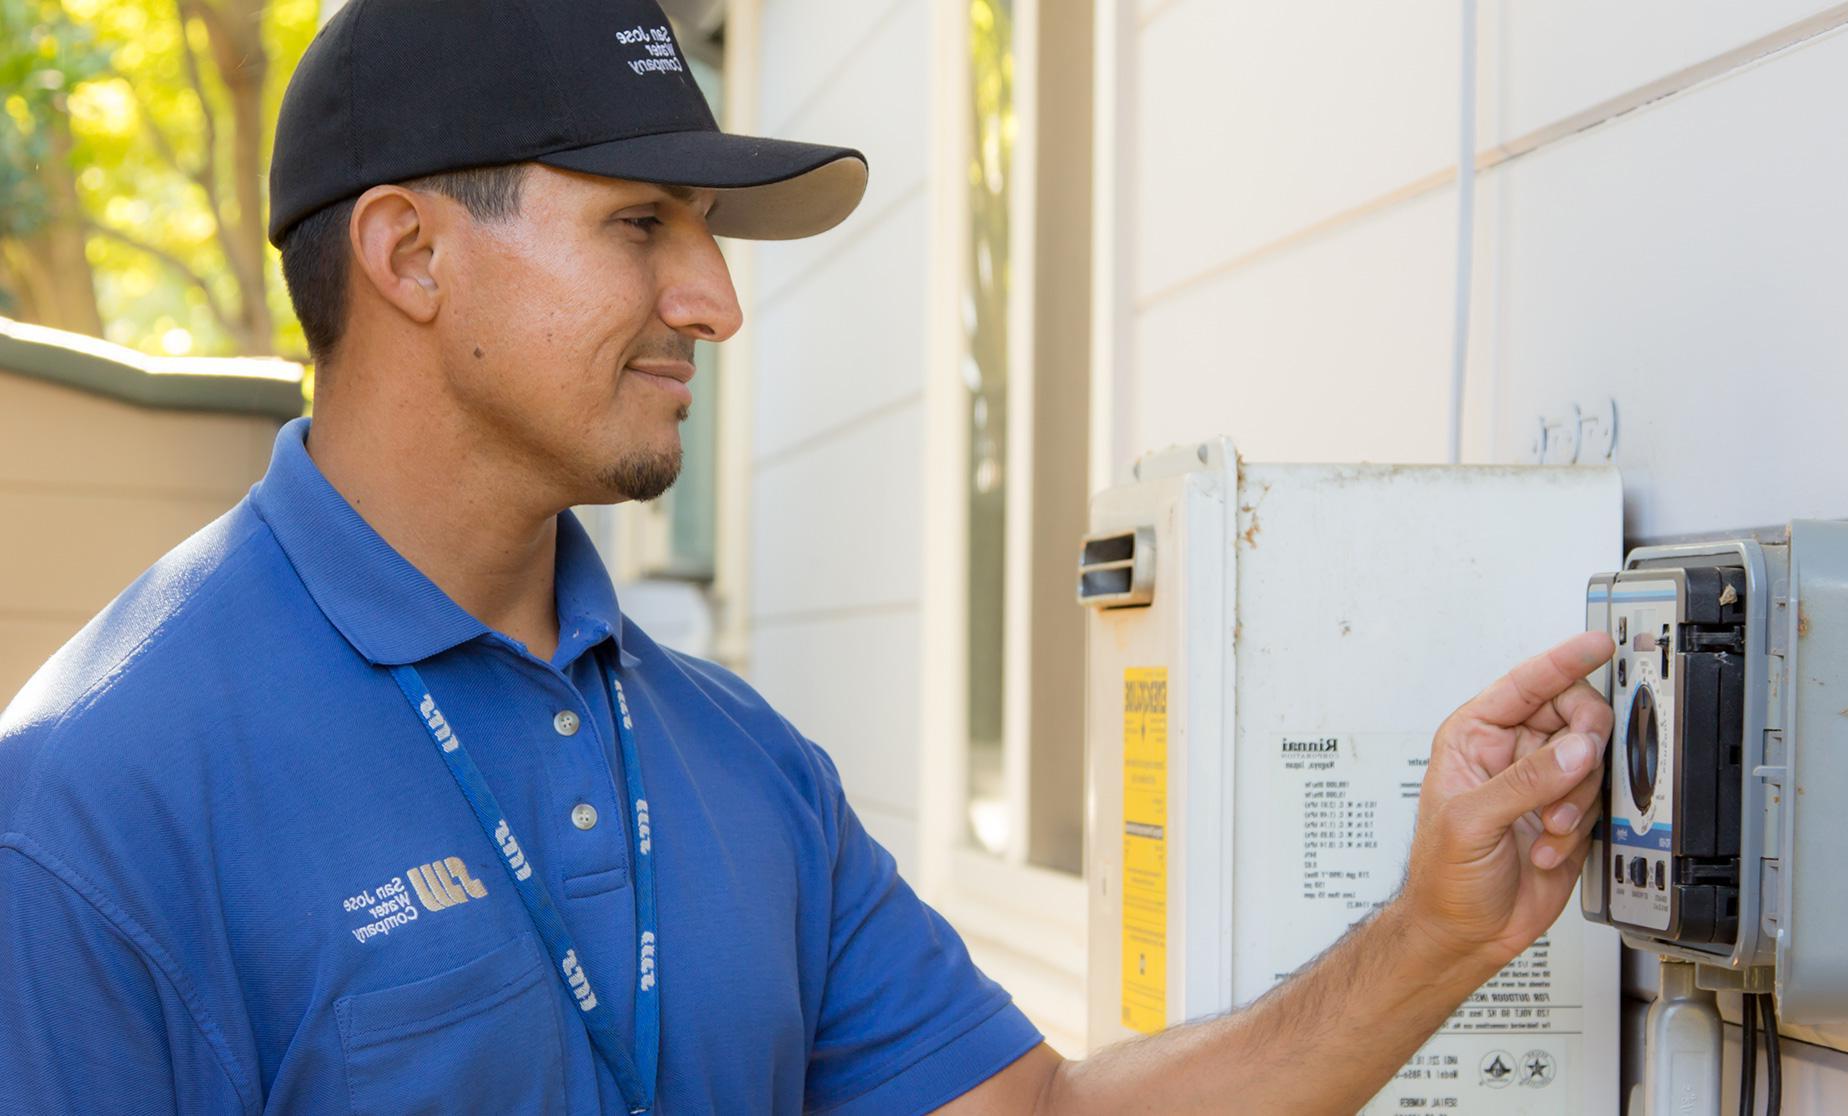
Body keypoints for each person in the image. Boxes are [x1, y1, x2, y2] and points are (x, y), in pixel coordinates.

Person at [0, 1, 1612, 1112]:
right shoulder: (93, 801)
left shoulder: (741, 767)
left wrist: (1437, 932)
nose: (713, 300)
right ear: (411, 254)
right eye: (643, 224)